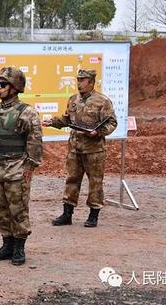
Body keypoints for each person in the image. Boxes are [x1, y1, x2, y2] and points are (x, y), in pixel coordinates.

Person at [42, 69, 118, 228]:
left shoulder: (102, 101)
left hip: (94, 150)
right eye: (78, 80)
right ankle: (67, 214)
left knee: (95, 183)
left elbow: (112, 123)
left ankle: (93, 215)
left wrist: (98, 132)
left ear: (91, 82)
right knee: (71, 181)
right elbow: (67, 119)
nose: (79, 83)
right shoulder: (73, 100)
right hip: (75, 149)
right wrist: (53, 122)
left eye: (82, 80)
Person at [0, 66, 43, 266]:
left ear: (15, 87)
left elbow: (35, 141)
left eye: (3, 84)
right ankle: (6, 244)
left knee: (17, 209)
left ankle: (19, 247)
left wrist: (30, 167)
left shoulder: (26, 112)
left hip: (17, 168)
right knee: (0, 209)